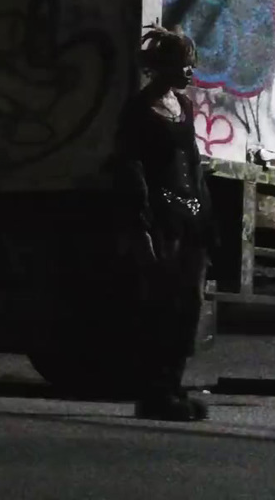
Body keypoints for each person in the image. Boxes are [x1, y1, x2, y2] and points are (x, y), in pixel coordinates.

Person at [112, 24, 216, 422]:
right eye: (183, 65)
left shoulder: (183, 107)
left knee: (189, 303)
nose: (190, 72)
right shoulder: (139, 110)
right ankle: (154, 392)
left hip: (190, 217)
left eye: (191, 65)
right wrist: (140, 226)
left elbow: (193, 165)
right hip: (160, 218)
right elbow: (130, 169)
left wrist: (207, 218)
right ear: (162, 67)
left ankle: (172, 386)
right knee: (160, 306)